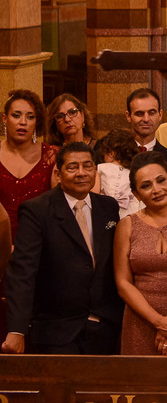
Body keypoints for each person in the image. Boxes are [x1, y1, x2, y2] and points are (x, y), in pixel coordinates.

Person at [2, 142, 123, 355]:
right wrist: (16, 330)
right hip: (56, 331)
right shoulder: (37, 210)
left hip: (105, 330)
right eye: (73, 167)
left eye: (88, 166)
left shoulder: (109, 207)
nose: (81, 173)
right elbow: (22, 273)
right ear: (58, 174)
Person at [114, 151, 167, 356]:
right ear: (136, 194)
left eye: (161, 180)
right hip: (140, 324)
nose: (156, 190)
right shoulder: (127, 226)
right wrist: (158, 321)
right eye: (146, 185)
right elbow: (123, 283)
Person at [0, 89, 58, 236]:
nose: (23, 122)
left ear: (37, 121)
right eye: (16, 115)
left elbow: (59, 208)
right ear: (4, 118)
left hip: (41, 240)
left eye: (30, 117)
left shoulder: (52, 156)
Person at [124, 89, 167, 204]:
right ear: (128, 116)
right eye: (139, 113)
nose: (146, 119)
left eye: (152, 113)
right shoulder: (113, 154)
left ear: (160, 115)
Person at [92, 129, 144, 219]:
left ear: (111, 153)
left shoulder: (100, 168)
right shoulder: (135, 172)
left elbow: (94, 194)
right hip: (131, 212)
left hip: (105, 211)